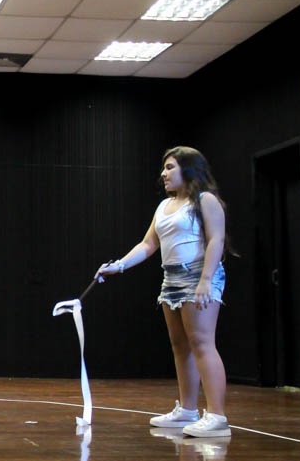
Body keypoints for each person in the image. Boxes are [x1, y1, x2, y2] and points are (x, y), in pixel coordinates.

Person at [96, 146, 233, 438]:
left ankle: (217, 417)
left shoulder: (205, 200)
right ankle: (187, 410)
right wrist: (119, 266)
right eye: (164, 168)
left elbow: (216, 240)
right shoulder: (163, 207)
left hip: (198, 274)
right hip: (171, 278)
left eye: (170, 167)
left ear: (189, 169)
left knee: (202, 342)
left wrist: (205, 280)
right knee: (180, 345)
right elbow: (148, 244)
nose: (164, 174)